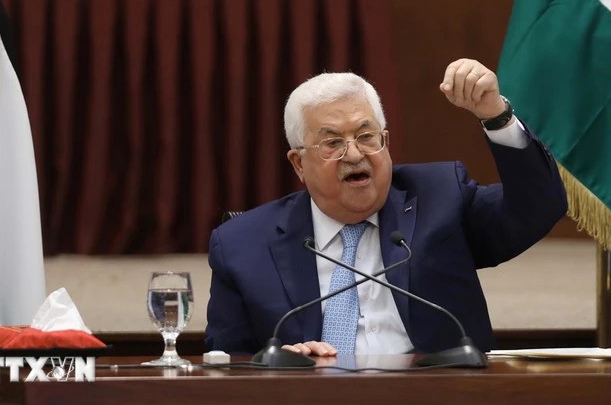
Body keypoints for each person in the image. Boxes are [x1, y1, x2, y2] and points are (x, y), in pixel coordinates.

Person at [205, 58, 567, 356]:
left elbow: (538, 208)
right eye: (332, 143)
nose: (354, 154)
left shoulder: (441, 198)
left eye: (366, 136)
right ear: (299, 163)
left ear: (386, 142)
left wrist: (496, 116)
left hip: (437, 400)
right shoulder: (241, 245)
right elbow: (225, 364)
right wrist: (278, 364)